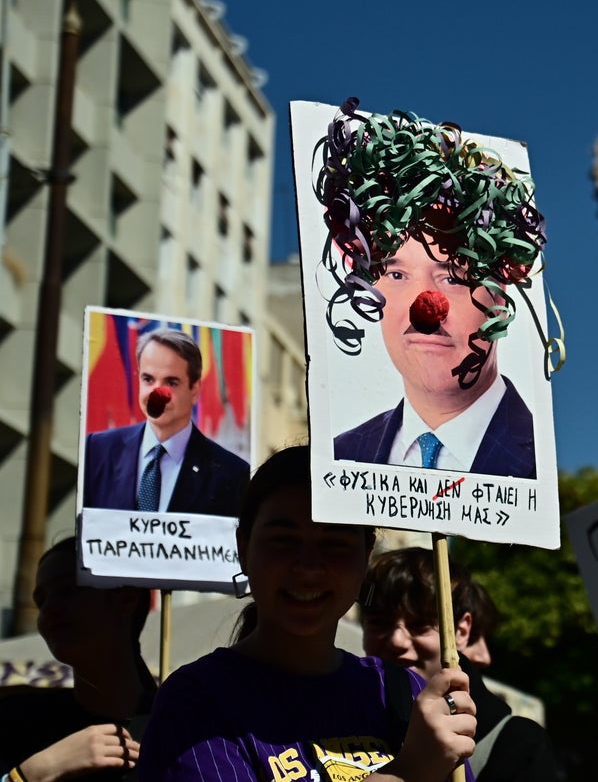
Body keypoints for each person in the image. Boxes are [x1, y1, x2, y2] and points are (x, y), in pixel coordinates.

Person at [136, 445, 477, 781]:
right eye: (283, 541)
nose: (309, 567)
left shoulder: (403, 692)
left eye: (335, 543)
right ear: (243, 548)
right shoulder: (196, 703)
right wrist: (408, 773)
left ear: (366, 553)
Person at [316, 104, 545, 480]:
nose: (423, 311)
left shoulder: (541, 464)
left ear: (501, 294)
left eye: (453, 277)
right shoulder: (343, 455)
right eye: (395, 274)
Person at [361, 547, 557, 782]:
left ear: (462, 631)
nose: (396, 640)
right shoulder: (337, 718)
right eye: (379, 623)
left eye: (420, 625)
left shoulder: (516, 745)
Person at [0, 537, 155, 782]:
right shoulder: (13, 721)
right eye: (41, 601)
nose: (49, 609)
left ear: (127, 598)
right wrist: (34, 772)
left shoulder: (185, 726)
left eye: (68, 590)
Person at [82, 328, 248, 516]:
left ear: (195, 390)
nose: (157, 394)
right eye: (148, 379)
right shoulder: (96, 450)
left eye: (171, 382)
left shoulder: (232, 474)